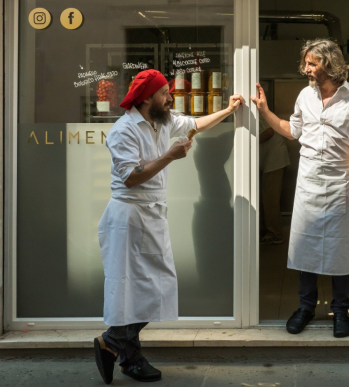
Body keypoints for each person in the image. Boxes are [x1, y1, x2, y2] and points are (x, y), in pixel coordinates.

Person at [94, 69, 244, 384]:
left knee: (154, 289)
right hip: (129, 219)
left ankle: (115, 344)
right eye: (164, 92)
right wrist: (169, 156)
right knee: (134, 292)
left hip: (150, 216)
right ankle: (125, 353)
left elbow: (196, 124)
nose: (170, 97)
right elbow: (130, 176)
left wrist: (229, 111)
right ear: (147, 97)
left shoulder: (161, 120)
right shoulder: (124, 130)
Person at [250, 39, 349, 339]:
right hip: (307, 183)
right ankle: (305, 308)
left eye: (311, 63)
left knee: (340, 248)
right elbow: (292, 131)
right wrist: (265, 110)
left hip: (340, 183)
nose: (306, 68)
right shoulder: (304, 96)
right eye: (306, 63)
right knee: (305, 247)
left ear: (329, 64)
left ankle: (341, 311)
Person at [259, 117, 290, 245]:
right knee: (266, 198)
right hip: (270, 159)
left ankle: (275, 234)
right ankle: (266, 231)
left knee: (270, 199)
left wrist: (248, 143)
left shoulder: (256, 112)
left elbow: (269, 132)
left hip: (274, 160)